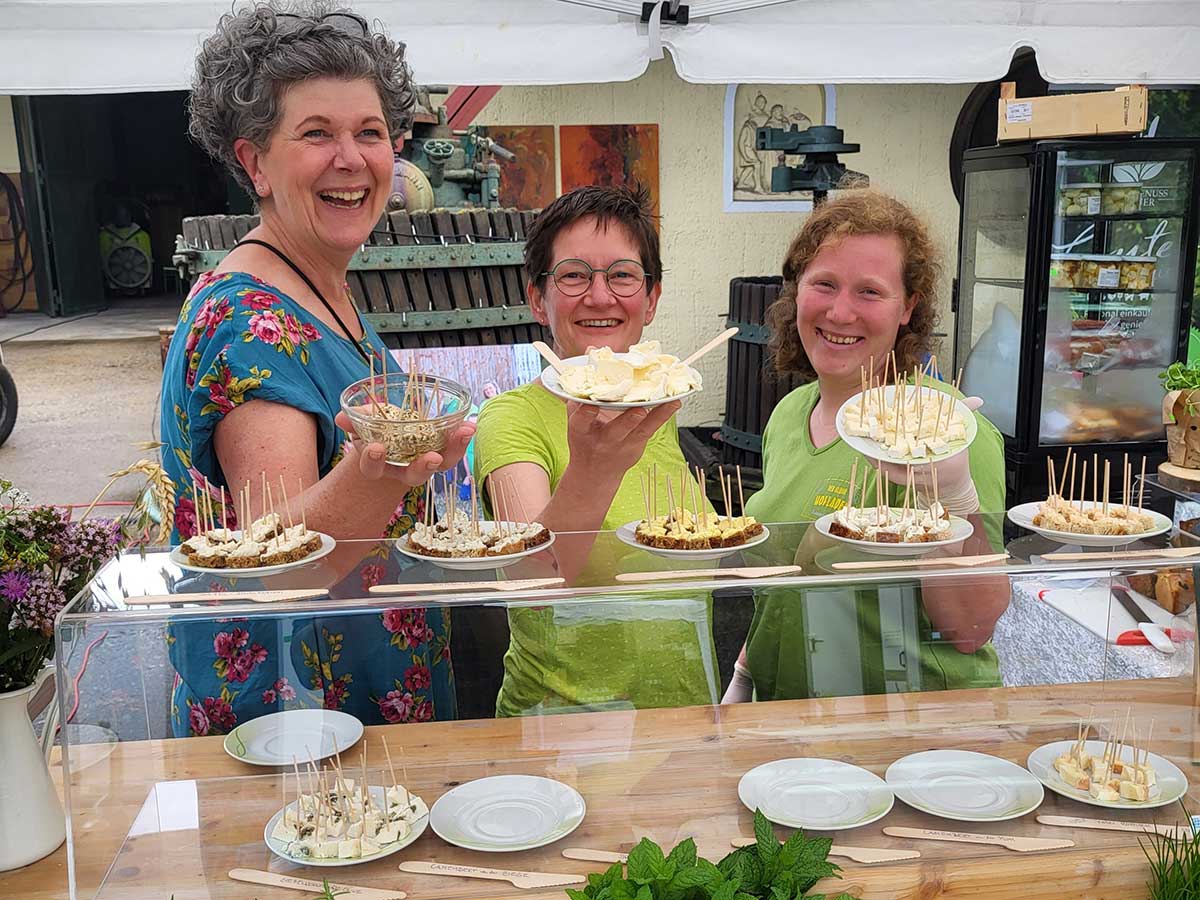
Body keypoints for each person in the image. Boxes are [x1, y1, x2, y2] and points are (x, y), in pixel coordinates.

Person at [159, 2, 472, 735]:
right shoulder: (250, 323)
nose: (351, 158)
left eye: (369, 133)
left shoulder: (318, 286)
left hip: (359, 713)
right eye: (315, 134)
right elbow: (279, 563)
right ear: (253, 162)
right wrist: (385, 470)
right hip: (307, 738)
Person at [723, 190, 1010, 703]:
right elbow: (791, 576)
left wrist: (953, 496)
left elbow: (970, 630)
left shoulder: (944, 430)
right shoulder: (790, 416)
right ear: (797, 293)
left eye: (870, 292)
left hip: (908, 731)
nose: (840, 311)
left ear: (909, 308)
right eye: (824, 284)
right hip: (791, 719)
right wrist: (746, 673)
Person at [473, 184, 719, 717]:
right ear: (539, 298)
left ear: (651, 299)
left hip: (684, 723)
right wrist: (594, 467)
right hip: (564, 728)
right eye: (574, 275)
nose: (601, 296)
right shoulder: (511, 418)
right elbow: (531, 582)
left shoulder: (660, 411)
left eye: (623, 275)